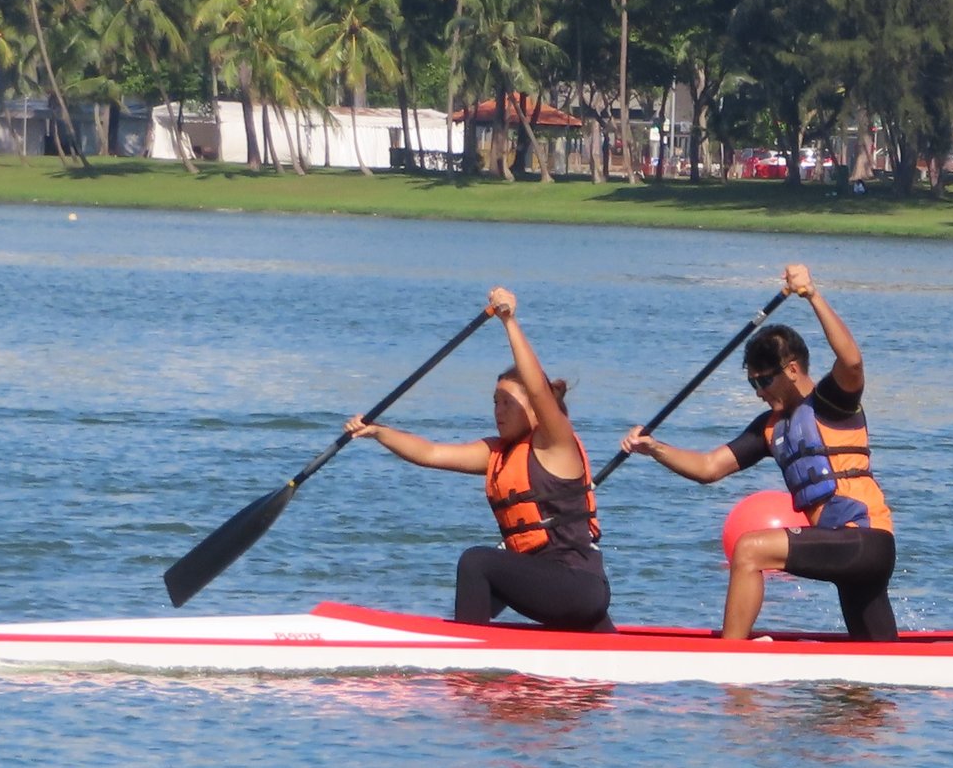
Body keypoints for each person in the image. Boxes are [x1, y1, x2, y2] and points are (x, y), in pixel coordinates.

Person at [621, 264, 897, 641]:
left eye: (764, 380)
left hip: (864, 541)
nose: (758, 391)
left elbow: (851, 362)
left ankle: (729, 658)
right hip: (841, 548)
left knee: (749, 549)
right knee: (878, 661)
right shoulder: (769, 428)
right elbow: (708, 468)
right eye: (752, 382)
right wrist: (654, 448)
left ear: (794, 369)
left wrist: (812, 295)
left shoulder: (832, 401)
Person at [345, 286, 614, 631]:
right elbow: (430, 453)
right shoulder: (496, 455)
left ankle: (465, 660)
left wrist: (509, 321)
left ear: (536, 410)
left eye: (508, 402)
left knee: (477, 563)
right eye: (495, 402)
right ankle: (467, 638)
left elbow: (536, 387)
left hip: (577, 586)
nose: (499, 411)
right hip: (554, 588)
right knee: (492, 575)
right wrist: (379, 432)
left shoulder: (555, 444)